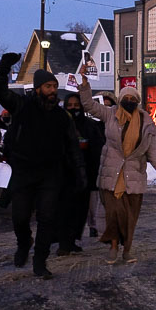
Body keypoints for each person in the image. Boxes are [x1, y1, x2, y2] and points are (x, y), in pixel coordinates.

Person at [0, 54, 85, 279]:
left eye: (54, 86)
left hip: (51, 175)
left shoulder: (62, 117)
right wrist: (4, 67)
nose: (52, 90)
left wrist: (80, 172)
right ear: (37, 89)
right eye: (47, 86)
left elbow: (72, 146)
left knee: (47, 218)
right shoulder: (21, 106)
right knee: (20, 217)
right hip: (24, 173)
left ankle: (40, 261)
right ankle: (24, 243)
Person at [81, 75, 156, 264]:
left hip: (134, 175)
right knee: (113, 214)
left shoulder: (146, 123)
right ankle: (113, 246)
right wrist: (85, 85)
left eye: (133, 100)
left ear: (137, 102)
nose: (129, 102)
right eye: (125, 99)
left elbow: (152, 151)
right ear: (120, 101)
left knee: (130, 217)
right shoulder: (110, 114)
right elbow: (88, 105)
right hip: (111, 174)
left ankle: (127, 249)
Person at [59, 92, 103, 254]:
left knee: (80, 211)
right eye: (69, 105)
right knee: (64, 210)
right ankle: (64, 241)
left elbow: (98, 149)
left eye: (76, 105)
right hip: (64, 174)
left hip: (86, 175)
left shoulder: (90, 125)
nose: (73, 108)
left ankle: (73, 239)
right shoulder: (60, 124)